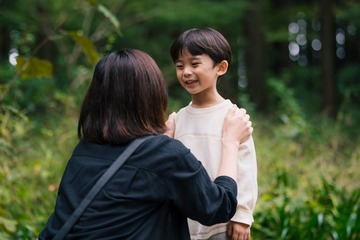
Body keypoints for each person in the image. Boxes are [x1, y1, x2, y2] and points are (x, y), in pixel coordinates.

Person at [38, 48, 254, 240]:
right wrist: (231, 142)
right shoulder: (166, 155)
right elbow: (218, 207)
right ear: (150, 94)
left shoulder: (84, 150)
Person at [170, 28, 258, 240]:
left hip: (222, 225)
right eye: (180, 66)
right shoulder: (178, 119)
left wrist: (242, 216)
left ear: (221, 67)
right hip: (184, 224)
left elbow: (246, 168)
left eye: (195, 63)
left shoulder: (232, 117)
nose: (186, 72)